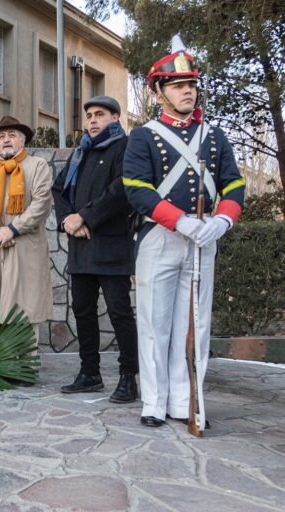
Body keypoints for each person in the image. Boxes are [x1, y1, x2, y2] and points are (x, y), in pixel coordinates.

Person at [123, 36, 245, 428]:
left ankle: (186, 401)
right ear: (159, 92)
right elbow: (137, 188)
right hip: (160, 237)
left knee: (196, 324)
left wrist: (222, 220)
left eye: (191, 84)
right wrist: (181, 221)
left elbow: (233, 184)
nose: (187, 91)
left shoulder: (214, 136)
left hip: (204, 237)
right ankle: (155, 402)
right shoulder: (144, 136)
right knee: (156, 323)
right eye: (178, 85)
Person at [52, 96, 138, 403]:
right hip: (81, 246)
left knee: (119, 313)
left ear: (115, 118)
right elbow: (59, 189)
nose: (92, 120)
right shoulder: (81, 152)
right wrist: (67, 221)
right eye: (89, 115)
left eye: (99, 114)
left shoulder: (125, 148)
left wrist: (85, 216)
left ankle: (130, 377)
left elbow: (122, 190)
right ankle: (90, 373)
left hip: (112, 245)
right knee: (83, 311)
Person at [0, 115, 53, 339]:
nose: (6, 140)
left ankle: (25, 372)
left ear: (22, 141)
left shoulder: (37, 166)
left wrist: (12, 229)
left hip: (25, 250)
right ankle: (0, 370)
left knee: (25, 313)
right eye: (1, 136)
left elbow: (41, 203)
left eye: (12, 135)